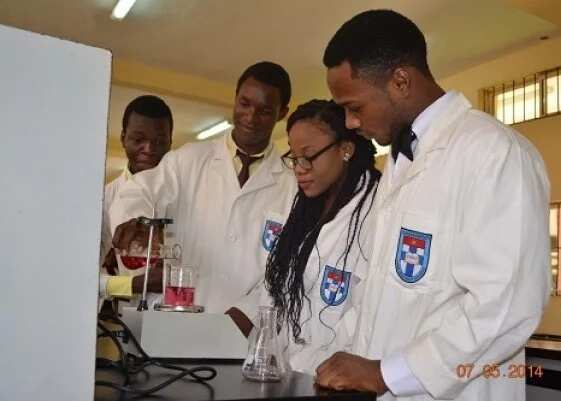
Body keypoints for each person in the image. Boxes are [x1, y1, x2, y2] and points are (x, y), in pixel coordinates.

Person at [315, 10, 551, 401]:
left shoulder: (494, 152)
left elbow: (506, 307)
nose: (350, 122)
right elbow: (374, 292)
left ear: (401, 81)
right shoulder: (399, 163)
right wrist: (337, 363)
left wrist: (386, 373)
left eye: (354, 106)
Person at [109, 62, 297, 312]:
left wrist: (248, 314)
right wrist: (136, 221)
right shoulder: (188, 159)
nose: (250, 117)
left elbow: (287, 269)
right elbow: (137, 190)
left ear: (281, 113)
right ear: (235, 99)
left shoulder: (292, 184)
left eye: (264, 111)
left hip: (245, 331)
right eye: (244, 104)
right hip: (180, 318)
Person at [228, 99, 380, 374]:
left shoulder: (377, 212)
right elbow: (274, 287)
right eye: (294, 157)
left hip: (331, 379)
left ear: (345, 149)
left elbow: (365, 319)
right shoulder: (302, 207)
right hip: (281, 371)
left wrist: (297, 367)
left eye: (309, 156)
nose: (299, 167)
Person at [99, 95, 173, 302]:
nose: (149, 149)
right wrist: (134, 285)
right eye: (139, 139)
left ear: (170, 142)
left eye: (159, 141)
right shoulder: (104, 199)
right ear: (123, 137)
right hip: (123, 322)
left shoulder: (189, 193)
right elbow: (85, 279)